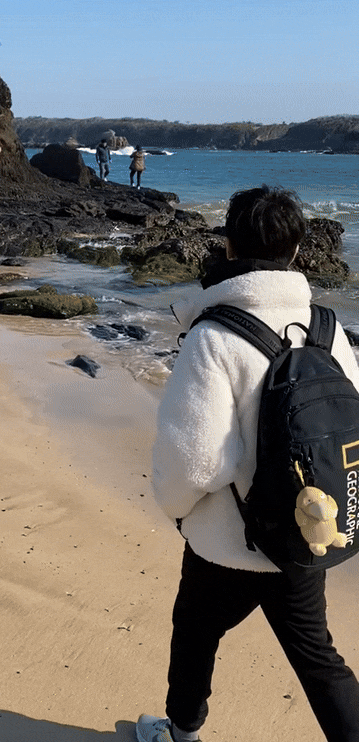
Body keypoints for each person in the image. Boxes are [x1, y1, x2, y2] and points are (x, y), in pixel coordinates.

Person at [137, 185, 359, 742]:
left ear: (229, 247)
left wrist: (178, 512)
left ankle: (181, 733)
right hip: (307, 531)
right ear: (297, 251)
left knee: (194, 635)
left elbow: (194, 461)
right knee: (319, 659)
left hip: (227, 543)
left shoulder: (214, 336)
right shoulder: (328, 328)